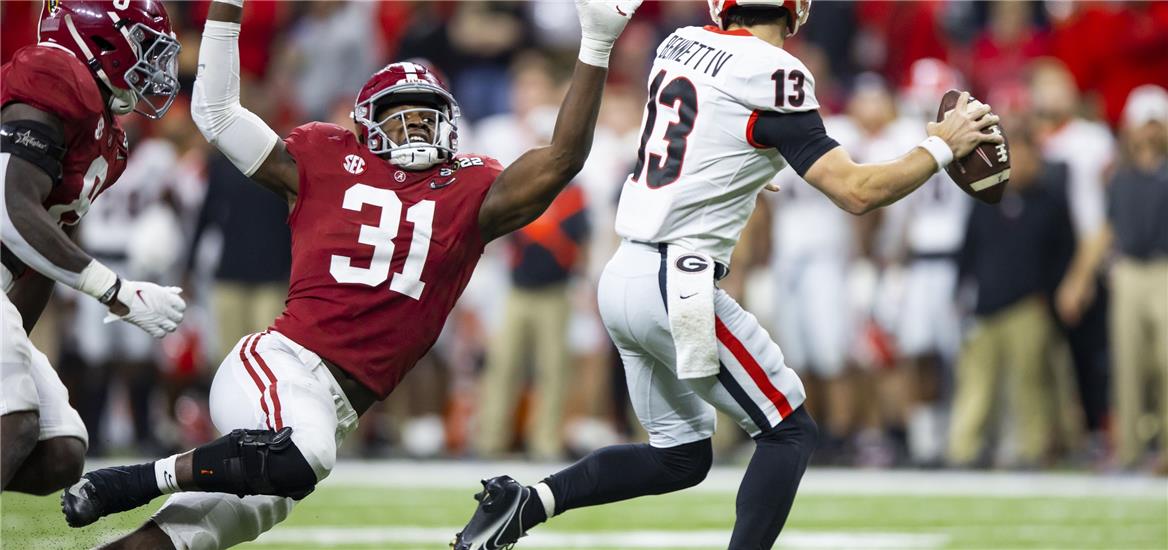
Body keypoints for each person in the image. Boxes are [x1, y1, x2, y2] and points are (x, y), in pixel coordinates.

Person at [60, 1, 642, 549]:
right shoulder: (323, 158)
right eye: (401, 116)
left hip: (328, 410)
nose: (415, 128)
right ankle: (126, 481)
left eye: (427, 116)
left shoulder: (472, 190)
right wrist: (228, 8)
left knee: (184, 537)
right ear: (367, 125)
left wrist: (596, 41)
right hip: (281, 367)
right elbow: (217, 113)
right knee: (305, 455)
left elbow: (563, 158)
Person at [450, 1, 1002, 549]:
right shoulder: (775, 71)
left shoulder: (680, 44)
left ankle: (526, 503)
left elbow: (700, 135)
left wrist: (737, 173)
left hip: (625, 275)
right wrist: (940, 146)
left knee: (681, 456)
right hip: (677, 279)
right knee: (789, 430)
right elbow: (857, 192)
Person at [1, 0, 185, 495]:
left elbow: (40, 255)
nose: (155, 66)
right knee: (13, 421)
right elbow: (10, 207)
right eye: (145, 47)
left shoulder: (108, 137)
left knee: (60, 450)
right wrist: (116, 291)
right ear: (103, 39)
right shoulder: (54, 71)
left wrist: (13, 336)